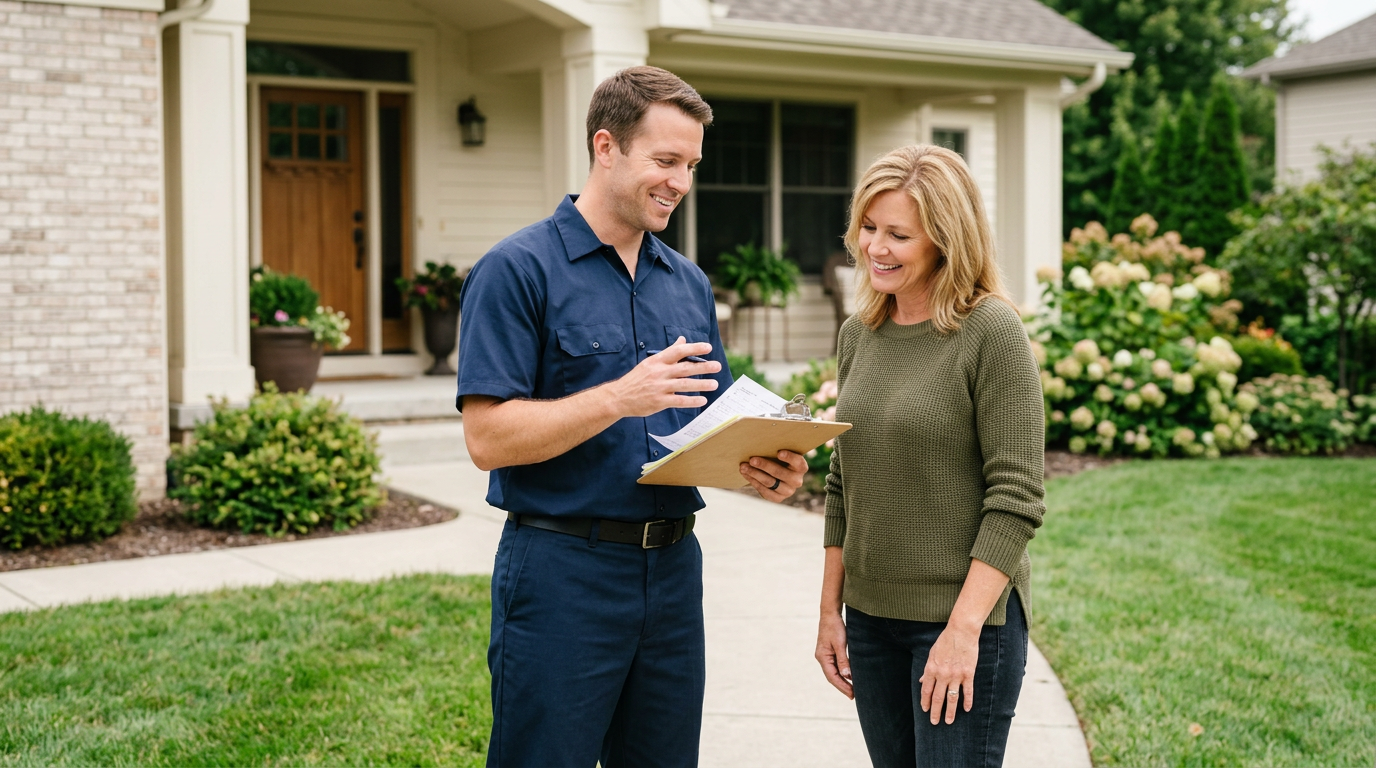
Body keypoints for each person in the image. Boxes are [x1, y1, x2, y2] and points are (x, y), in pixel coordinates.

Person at [457, 66, 808, 768]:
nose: (680, 181)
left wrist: (763, 465)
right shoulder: (517, 269)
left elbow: (704, 430)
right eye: (666, 160)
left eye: (691, 165)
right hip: (562, 570)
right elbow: (486, 438)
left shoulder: (688, 283)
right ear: (606, 146)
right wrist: (618, 396)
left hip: (675, 572)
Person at [812, 145, 1046, 768]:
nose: (875, 248)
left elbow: (1016, 501)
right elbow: (843, 482)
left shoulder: (990, 332)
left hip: (961, 623)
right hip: (868, 619)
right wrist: (829, 612)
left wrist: (963, 630)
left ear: (946, 240)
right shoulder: (859, 333)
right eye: (868, 228)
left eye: (899, 235)